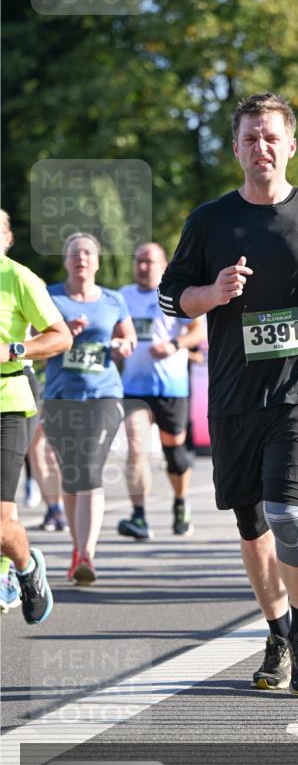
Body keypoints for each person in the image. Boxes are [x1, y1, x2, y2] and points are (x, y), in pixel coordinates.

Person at [158, 92, 298, 694]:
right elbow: (171, 297)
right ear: (236, 148)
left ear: (290, 145)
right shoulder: (209, 221)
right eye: (250, 138)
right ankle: (276, 633)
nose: (261, 147)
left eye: (271, 137)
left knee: (289, 514)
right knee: (252, 527)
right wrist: (214, 293)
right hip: (234, 395)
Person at [43, 233, 137, 584]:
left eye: (87, 253)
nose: (81, 258)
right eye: (74, 253)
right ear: (65, 261)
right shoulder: (50, 297)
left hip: (103, 395)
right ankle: (76, 548)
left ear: (97, 262)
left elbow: (129, 337)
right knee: (72, 475)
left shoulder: (113, 300)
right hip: (60, 397)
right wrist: (63, 332)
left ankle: (87, 554)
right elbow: (34, 338)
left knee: (89, 468)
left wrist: (122, 346)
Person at [0, 208, 72, 622]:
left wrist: (15, 349)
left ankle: (26, 569)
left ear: (7, 239)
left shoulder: (20, 278)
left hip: (10, 401)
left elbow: (61, 336)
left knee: (1, 521)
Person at [118, 243, 205, 540]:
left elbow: (198, 330)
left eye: (150, 261)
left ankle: (180, 503)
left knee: (175, 455)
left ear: (164, 265)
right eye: (139, 261)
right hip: (134, 388)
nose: (143, 266)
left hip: (171, 386)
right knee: (135, 446)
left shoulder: (172, 294)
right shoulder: (123, 297)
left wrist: (173, 345)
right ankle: (139, 516)